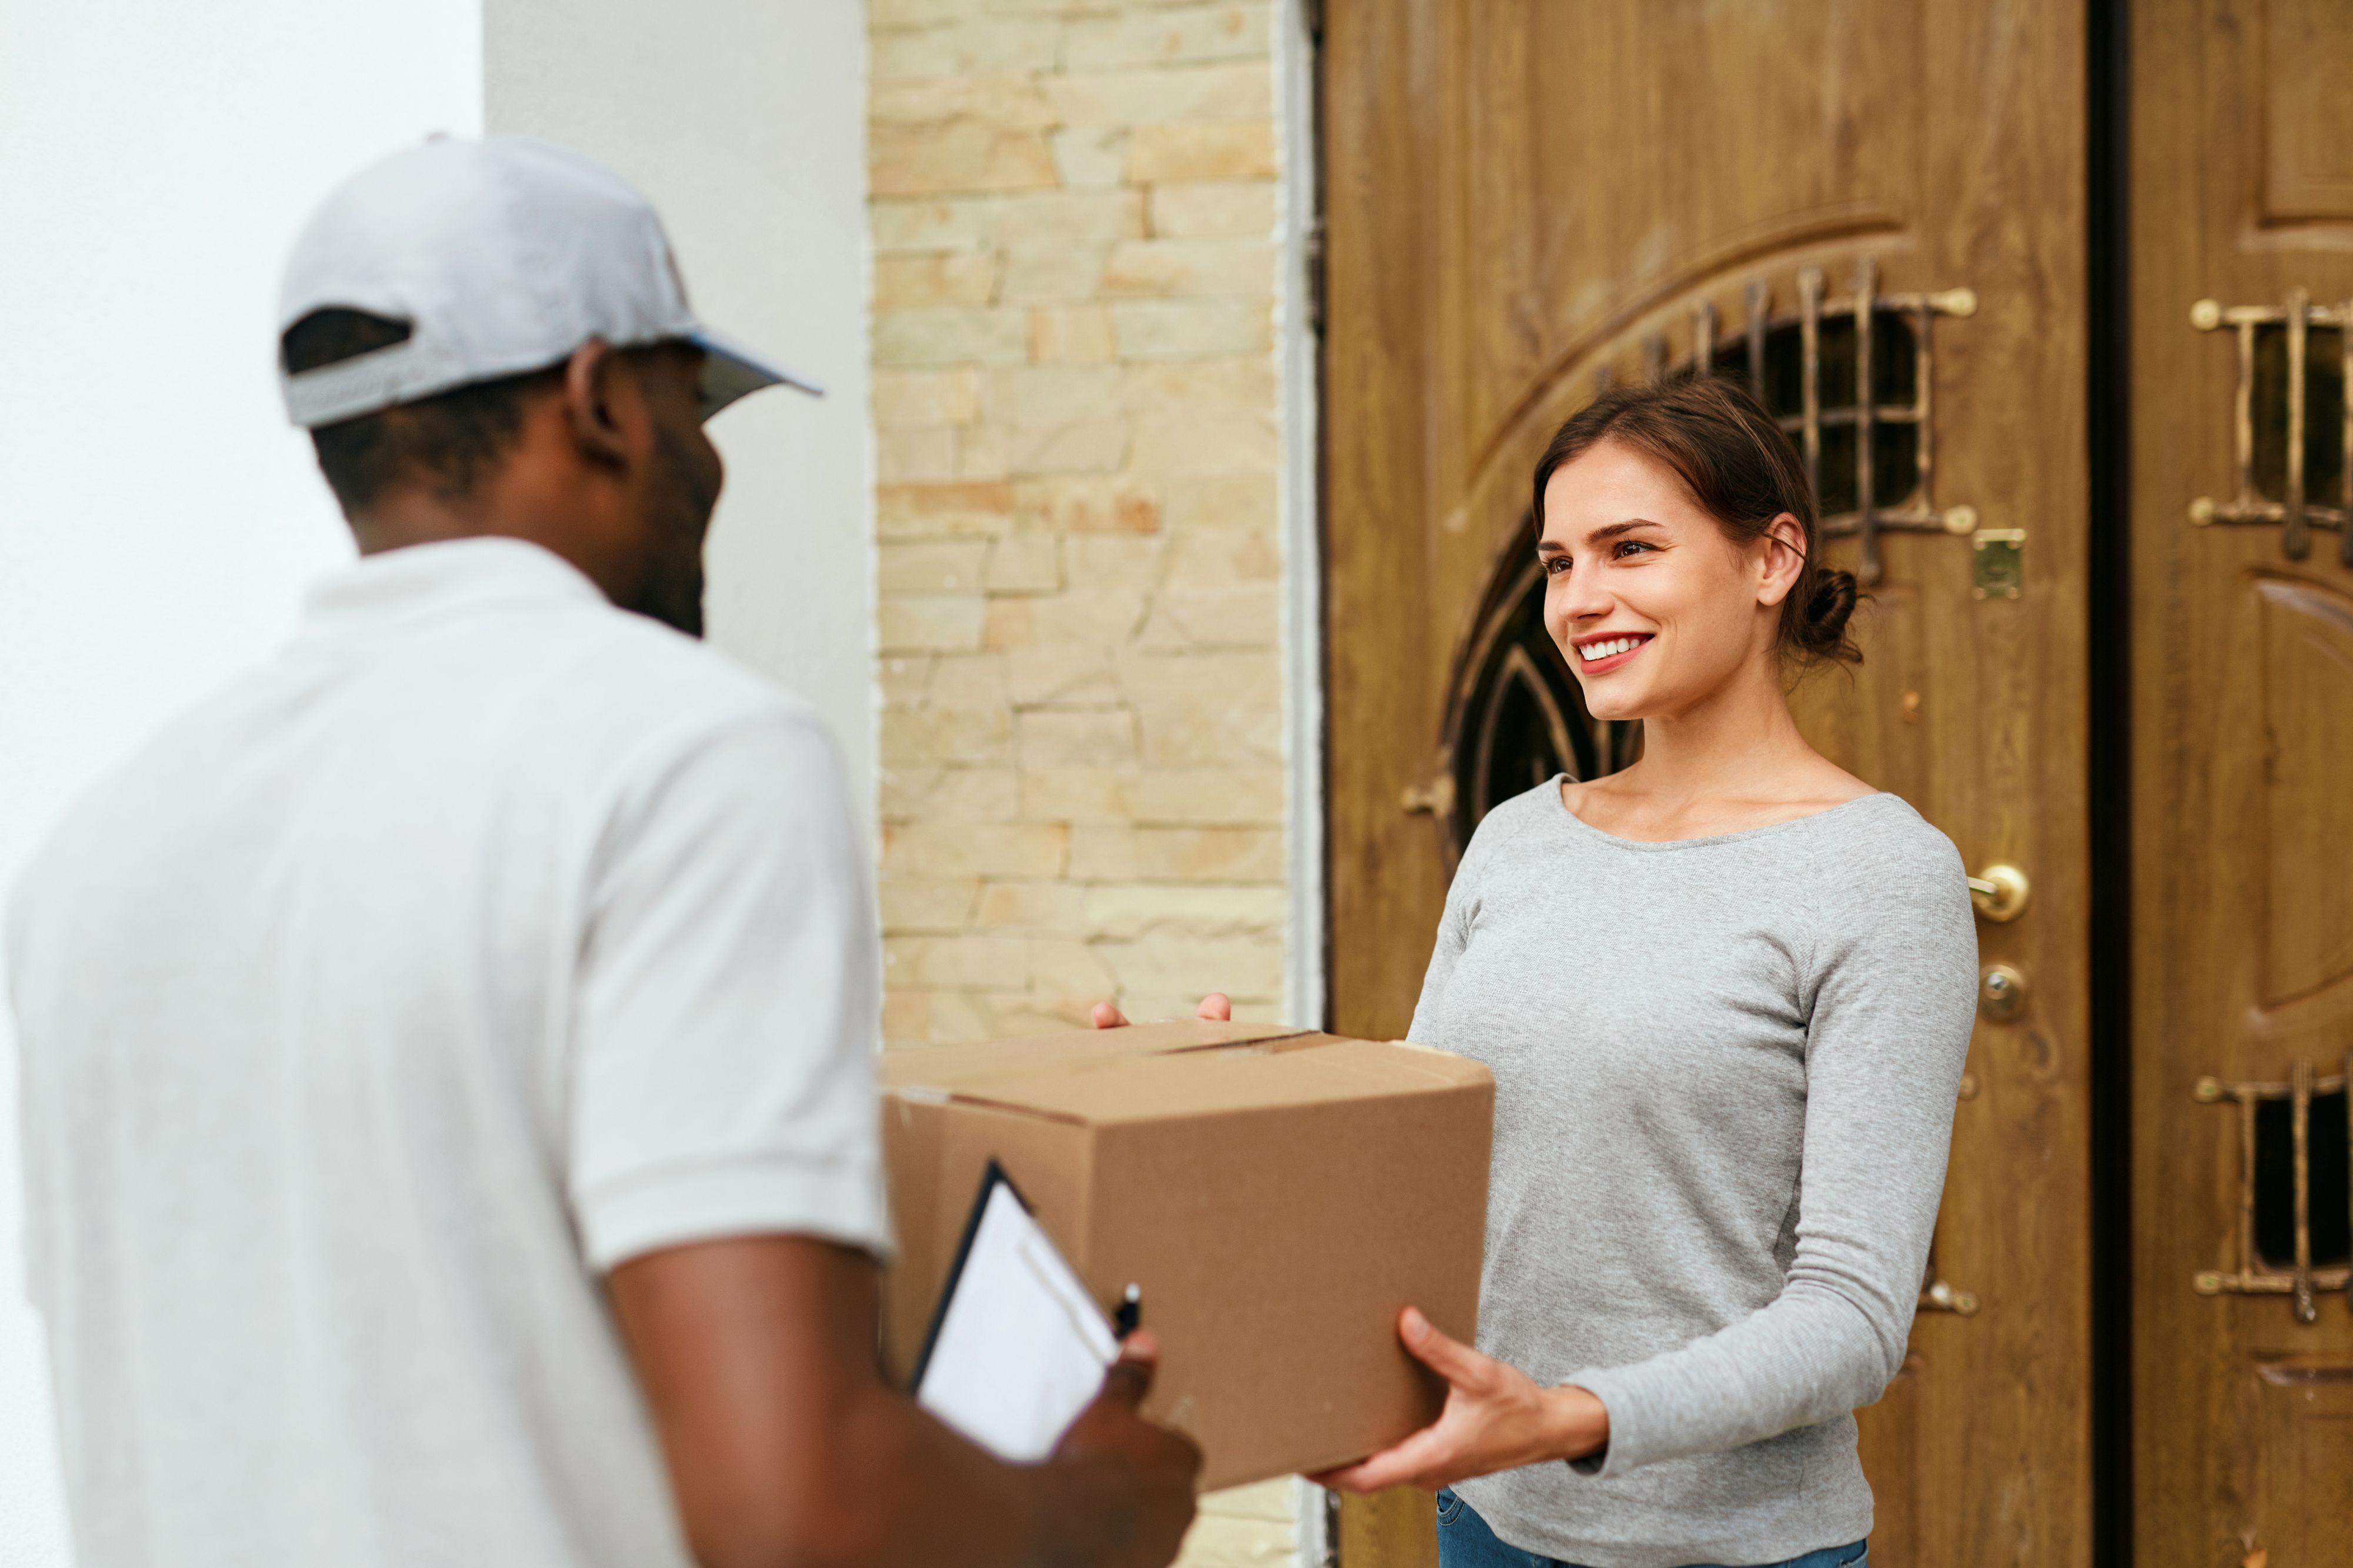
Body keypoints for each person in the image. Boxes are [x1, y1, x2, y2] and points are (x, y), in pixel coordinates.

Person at [8, 136, 1197, 1568]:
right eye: (694, 406)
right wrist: (1103, 1508)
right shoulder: (680, 755)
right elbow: (797, 1510)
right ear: (598, 402)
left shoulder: (110, 835)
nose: (707, 462)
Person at [1106, 373, 1977, 1568]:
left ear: (1772, 558)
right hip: (1488, 1518)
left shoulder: (1877, 874)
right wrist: (1203, 1088)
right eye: (1559, 562)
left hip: (1731, 1550)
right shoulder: (1520, 836)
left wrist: (1565, 1420)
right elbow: (1418, 1159)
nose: (1581, 599)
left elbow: (1853, 1318)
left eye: (1629, 548)